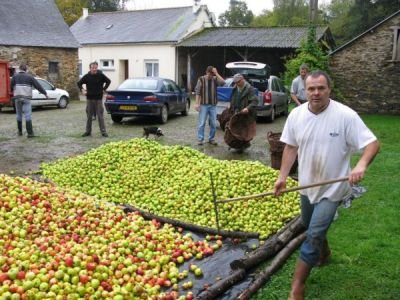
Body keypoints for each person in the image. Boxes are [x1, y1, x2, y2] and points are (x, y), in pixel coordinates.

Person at [274, 70, 380, 300]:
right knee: (312, 225)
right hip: (306, 185)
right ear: (305, 90)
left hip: (333, 189)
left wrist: (361, 164)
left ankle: (297, 287)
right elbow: (291, 147)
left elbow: (372, 143)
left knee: (312, 234)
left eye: (321, 88)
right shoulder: (296, 115)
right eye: (311, 88)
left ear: (329, 89)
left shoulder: (345, 115)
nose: (316, 93)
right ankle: (325, 253)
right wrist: (282, 177)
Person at [10, 63, 48, 138]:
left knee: (19, 115)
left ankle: (20, 132)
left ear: (19, 69)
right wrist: (45, 93)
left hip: (17, 98)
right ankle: (30, 133)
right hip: (26, 98)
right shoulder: (30, 77)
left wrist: (13, 93)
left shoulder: (14, 76)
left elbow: (11, 86)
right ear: (26, 69)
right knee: (28, 115)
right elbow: (38, 86)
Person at [78, 62, 111, 137]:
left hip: (98, 99)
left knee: (100, 116)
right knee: (89, 116)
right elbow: (79, 83)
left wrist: (104, 89)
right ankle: (88, 131)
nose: (94, 69)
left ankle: (103, 132)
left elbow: (108, 81)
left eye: (95, 67)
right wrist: (82, 90)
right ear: (90, 68)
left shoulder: (101, 75)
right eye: (92, 68)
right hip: (89, 98)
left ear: (97, 68)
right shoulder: (87, 76)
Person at [194, 66, 225, 145]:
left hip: (213, 105)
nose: (211, 76)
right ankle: (200, 139)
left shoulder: (215, 79)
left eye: (212, 74)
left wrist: (216, 73)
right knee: (202, 123)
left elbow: (223, 82)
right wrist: (197, 103)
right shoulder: (201, 79)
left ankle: (211, 139)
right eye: (209, 74)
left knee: (213, 123)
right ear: (206, 72)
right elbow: (197, 92)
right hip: (203, 105)